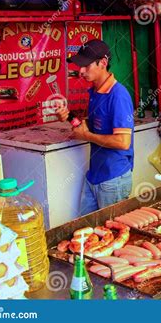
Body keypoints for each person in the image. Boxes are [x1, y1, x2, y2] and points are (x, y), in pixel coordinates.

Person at [56, 39, 134, 216]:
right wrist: (68, 116)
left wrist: (86, 136)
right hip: (94, 175)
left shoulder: (118, 95)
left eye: (86, 66)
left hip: (113, 179)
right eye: (79, 66)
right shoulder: (95, 92)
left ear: (103, 63)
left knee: (112, 235)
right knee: (86, 231)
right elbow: (94, 125)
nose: (81, 71)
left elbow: (123, 142)